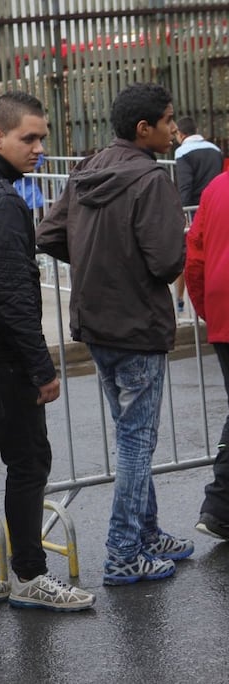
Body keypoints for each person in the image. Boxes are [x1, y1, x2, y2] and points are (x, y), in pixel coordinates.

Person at [37, 83, 193, 586]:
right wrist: (119, 269)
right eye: (168, 121)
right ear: (143, 128)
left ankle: (145, 533)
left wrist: (97, 266)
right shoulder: (150, 181)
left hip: (98, 324)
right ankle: (124, 551)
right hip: (136, 327)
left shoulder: (88, 168)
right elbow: (168, 260)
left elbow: (50, 234)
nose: (174, 129)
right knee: (135, 441)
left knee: (131, 436)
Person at [0, 92, 96, 611]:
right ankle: (30, 577)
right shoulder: (2, 201)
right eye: (29, 138)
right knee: (29, 460)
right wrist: (42, 369)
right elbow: (13, 295)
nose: (39, 147)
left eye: (42, 137)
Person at [186, 168, 229, 540]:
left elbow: (195, 258)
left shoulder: (215, 188)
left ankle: (219, 507)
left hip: (222, 312)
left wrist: (207, 311)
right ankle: (218, 505)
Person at [174, 117, 223, 313]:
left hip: (195, 211)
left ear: (181, 134)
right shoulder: (215, 150)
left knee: (187, 256)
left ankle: (180, 300)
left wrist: (183, 213)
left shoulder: (182, 151)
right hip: (217, 208)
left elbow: (185, 187)